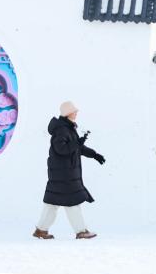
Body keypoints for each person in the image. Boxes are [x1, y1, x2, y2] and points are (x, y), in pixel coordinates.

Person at [33, 101, 105, 240]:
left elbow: (76, 148)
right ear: (67, 113)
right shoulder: (62, 130)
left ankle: (41, 230)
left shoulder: (67, 128)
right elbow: (62, 149)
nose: (76, 112)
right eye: (74, 111)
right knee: (73, 201)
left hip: (62, 173)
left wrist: (94, 154)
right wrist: (78, 142)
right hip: (64, 174)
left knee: (52, 203)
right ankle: (81, 231)